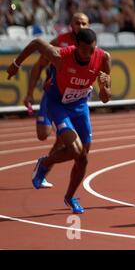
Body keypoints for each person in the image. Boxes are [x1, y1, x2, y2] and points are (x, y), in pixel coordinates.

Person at [6, 29, 112, 214]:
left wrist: (104, 87)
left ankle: (70, 197)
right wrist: (16, 63)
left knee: (83, 157)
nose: (88, 54)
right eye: (85, 50)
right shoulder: (61, 55)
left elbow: (105, 99)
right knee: (75, 150)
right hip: (58, 104)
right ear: (76, 45)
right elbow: (37, 43)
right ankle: (45, 163)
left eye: (92, 50)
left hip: (80, 107)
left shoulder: (103, 58)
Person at [24, 13, 90, 189]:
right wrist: (29, 93)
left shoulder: (90, 47)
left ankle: (45, 170)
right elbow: (38, 65)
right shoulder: (59, 41)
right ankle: (57, 129)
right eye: (78, 23)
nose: (81, 26)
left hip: (72, 102)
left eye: (84, 23)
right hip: (53, 96)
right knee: (42, 134)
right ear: (71, 24)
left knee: (66, 141)